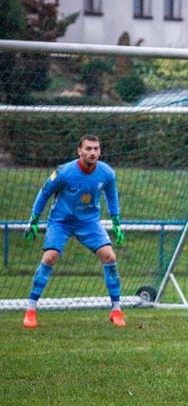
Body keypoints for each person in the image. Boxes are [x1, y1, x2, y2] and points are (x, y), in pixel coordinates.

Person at [22, 134, 127, 329]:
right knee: (50, 257)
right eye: (88, 148)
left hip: (89, 222)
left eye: (96, 148)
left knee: (110, 257)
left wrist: (116, 221)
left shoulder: (107, 173)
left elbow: (112, 195)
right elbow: (44, 192)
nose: (93, 152)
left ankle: (116, 310)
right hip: (61, 221)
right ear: (79, 151)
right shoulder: (63, 172)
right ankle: (31, 310)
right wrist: (34, 219)